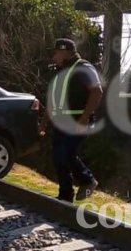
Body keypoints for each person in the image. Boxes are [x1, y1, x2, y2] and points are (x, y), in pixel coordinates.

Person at [46, 39, 102, 202]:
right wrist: (44, 122)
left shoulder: (83, 67)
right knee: (58, 157)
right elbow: (52, 99)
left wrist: (84, 119)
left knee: (66, 153)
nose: (53, 56)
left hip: (78, 120)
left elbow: (97, 92)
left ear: (65, 52)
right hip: (61, 121)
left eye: (56, 52)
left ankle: (88, 180)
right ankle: (65, 195)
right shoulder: (60, 71)